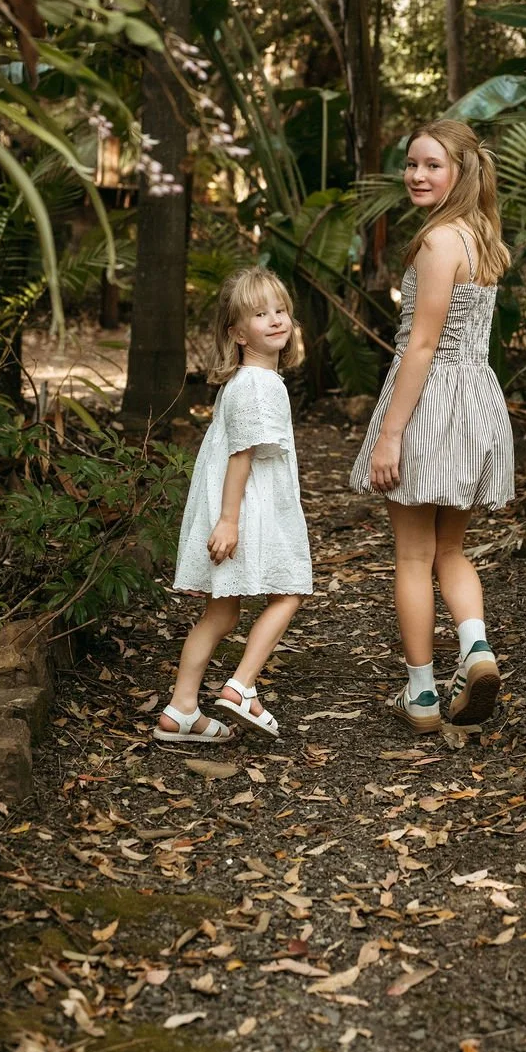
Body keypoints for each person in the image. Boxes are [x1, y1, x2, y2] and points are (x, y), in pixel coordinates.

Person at [350, 120, 515, 732]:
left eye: (432, 166)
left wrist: (391, 433)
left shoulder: (438, 241)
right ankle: (477, 650)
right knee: (452, 548)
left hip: (431, 400)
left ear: (461, 171)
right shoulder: (482, 237)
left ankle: (421, 694)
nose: (417, 175)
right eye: (412, 164)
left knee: (414, 554)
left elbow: (421, 345)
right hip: (475, 399)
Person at [154, 267, 312, 744]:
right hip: (247, 508)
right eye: (260, 314)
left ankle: (182, 709)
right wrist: (229, 521)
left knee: (221, 615)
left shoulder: (248, 381)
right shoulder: (259, 385)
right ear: (238, 333)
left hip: (238, 504)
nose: (275, 319)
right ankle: (242, 686)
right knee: (291, 589)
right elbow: (240, 455)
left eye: (280, 310)